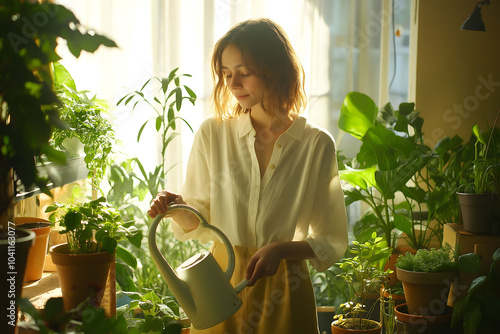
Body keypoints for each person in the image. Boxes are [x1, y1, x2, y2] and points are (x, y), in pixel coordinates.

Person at [148, 18, 348, 334]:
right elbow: (199, 222)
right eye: (227, 74)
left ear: (276, 69)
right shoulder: (212, 135)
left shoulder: (316, 144)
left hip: (285, 288)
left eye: (245, 72)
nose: (233, 84)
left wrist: (281, 249)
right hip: (218, 286)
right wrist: (178, 207)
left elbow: (330, 239)